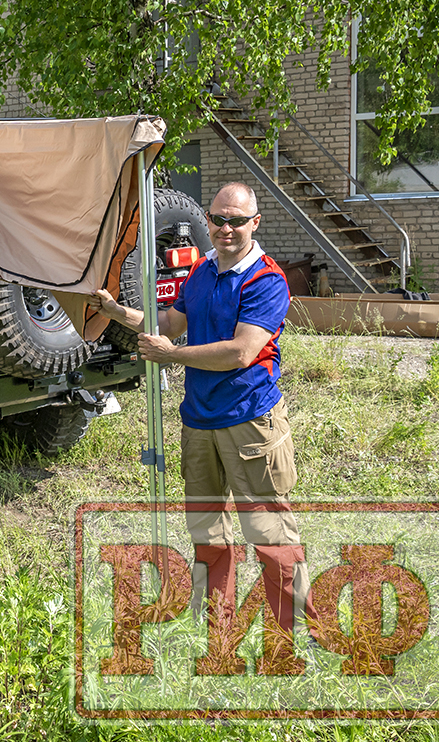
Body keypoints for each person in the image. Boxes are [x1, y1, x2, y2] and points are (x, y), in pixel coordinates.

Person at [85, 181, 307, 646]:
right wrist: (116, 311)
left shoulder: (266, 280)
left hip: (250, 423)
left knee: (269, 533)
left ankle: (289, 632)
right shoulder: (203, 271)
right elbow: (169, 324)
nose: (225, 228)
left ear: (255, 223)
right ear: (208, 220)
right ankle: (218, 628)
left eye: (236, 220)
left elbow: (240, 353)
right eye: (218, 218)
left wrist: (172, 356)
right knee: (208, 532)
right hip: (200, 422)